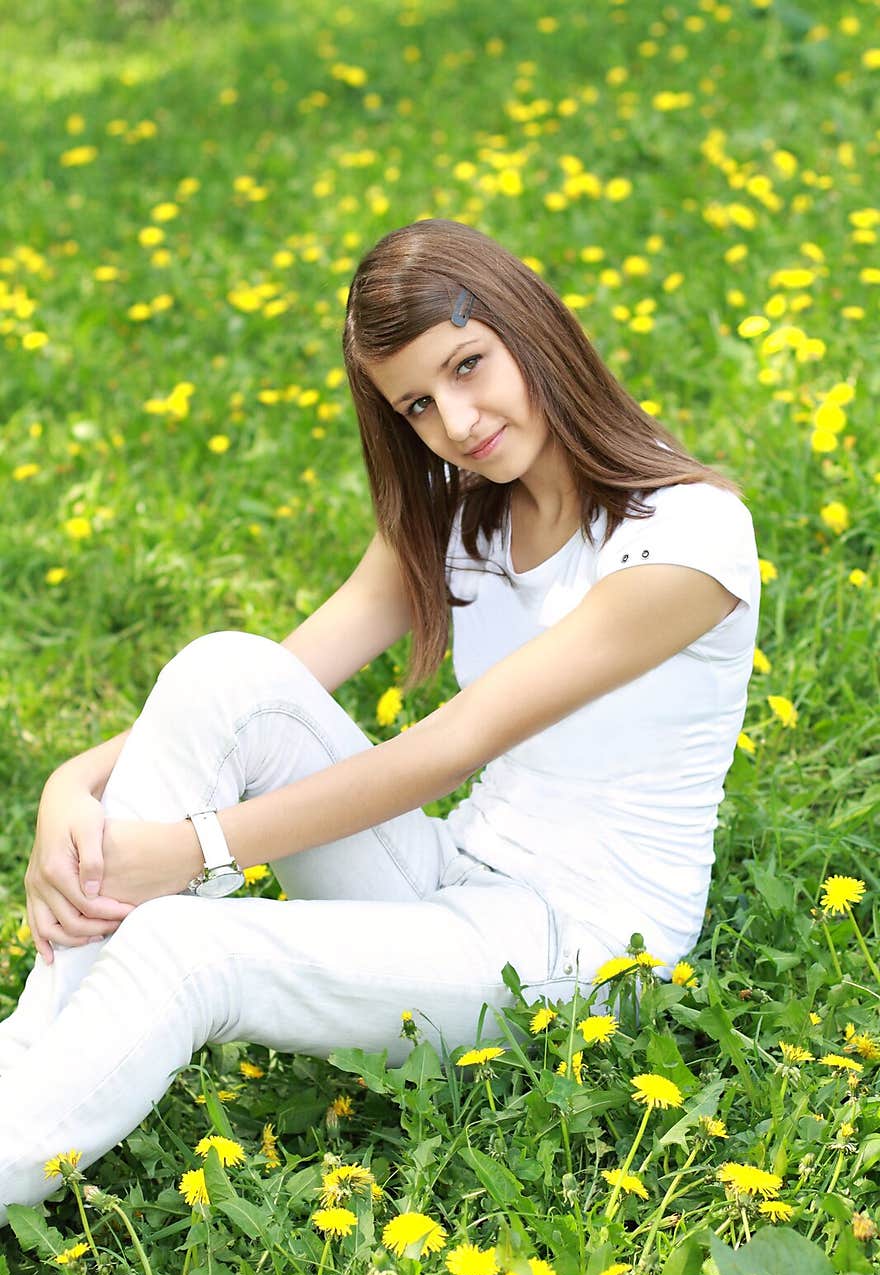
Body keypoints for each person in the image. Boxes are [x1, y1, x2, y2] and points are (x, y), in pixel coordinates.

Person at [0, 218, 759, 1223]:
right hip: (452, 873)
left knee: (186, 946)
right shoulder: (461, 508)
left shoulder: (686, 538)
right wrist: (72, 786)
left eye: (468, 365)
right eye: (416, 402)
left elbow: (448, 746)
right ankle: (26, 1059)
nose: (455, 420)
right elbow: (280, 675)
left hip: (580, 950)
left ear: (532, 328)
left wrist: (194, 851)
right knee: (224, 668)